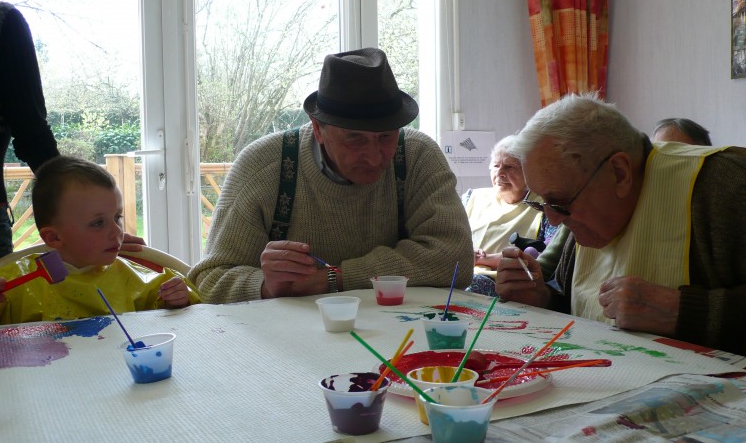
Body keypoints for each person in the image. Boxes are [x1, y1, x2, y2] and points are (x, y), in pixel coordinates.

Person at [188, 47, 474, 304]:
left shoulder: (417, 155)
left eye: (386, 137)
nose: (375, 158)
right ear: (318, 128)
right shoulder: (264, 165)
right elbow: (210, 280)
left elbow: (455, 259)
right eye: (355, 139)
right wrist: (265, 286)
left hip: (399, 333)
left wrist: (335, 277)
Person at [494, 93, 746, 355]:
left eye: (559, 202)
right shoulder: (577, 209)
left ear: (619, 173)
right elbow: (583, 311)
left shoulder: (726, 184)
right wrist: (541, 299)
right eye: (542, 203)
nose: (553, 219)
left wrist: (681, 311)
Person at [0, 0, 146, 303]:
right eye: (101, 221)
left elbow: (32, 134)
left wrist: (92, 225)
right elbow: (32, 133)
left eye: (115, 219)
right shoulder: (0, 22)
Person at [0, 156, 201, 329]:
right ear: (54, 238)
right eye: (98, 223)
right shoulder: (13, 283)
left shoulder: (131, 277)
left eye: (117, 217)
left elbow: (189, 314)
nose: (117, 231)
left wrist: (177, 299)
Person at [462, 135, 558, 295]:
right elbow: (448, 238)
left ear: (528, 172)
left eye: (509, 167)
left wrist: (483, 259)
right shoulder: (471, 198)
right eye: (495, 166)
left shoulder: (544, 206)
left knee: (473, 286)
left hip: (507, 284)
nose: (500, 173)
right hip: (460, 275)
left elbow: (546, 256)